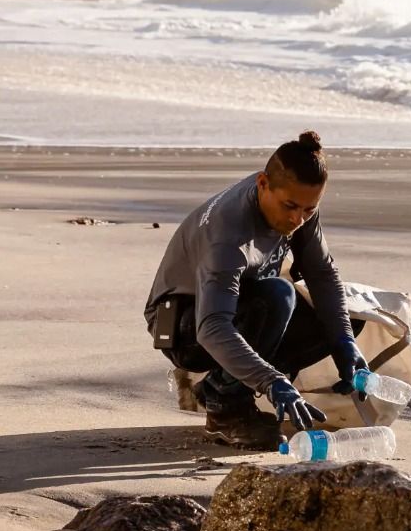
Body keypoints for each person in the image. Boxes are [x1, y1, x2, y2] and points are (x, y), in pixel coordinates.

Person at [143, 131, 367, 449]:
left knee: (342, 319)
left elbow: (322, 274)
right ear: (263, 184)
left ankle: (219, 385)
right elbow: (212, 328)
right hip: (183, 326)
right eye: (290, 206)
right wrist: (273, 381)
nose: (297, 218)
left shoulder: (296, 204)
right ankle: (226, 410)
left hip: (240, 304)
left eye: (308, 210)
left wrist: (344, 342)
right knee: (278, 296)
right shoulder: (227, 235)